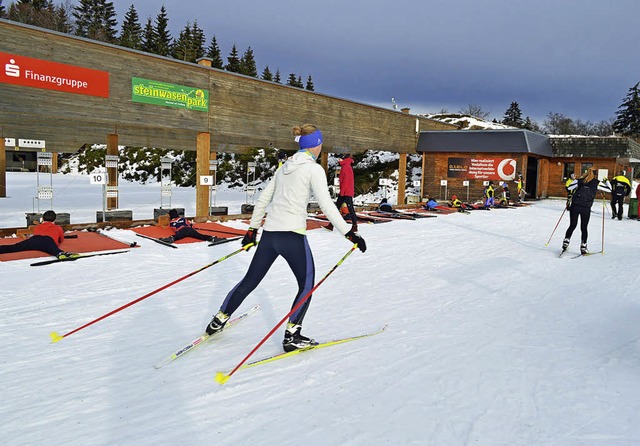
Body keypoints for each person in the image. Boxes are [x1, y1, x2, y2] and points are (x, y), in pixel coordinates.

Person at [203, 123, 366, 352]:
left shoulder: (283, 167)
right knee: (307, 283)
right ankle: (292, 335)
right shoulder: (314, 169)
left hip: (270, 235)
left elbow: (263, 200)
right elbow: (327, 205)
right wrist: (350, 233)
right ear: (317, 145)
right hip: (292, 236)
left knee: (250, 280)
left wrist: (252, 230)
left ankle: (219, 319)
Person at [0, 210, 77, 259]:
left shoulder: (38, 227)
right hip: (48, 240)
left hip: (34, 239)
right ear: (54, 219)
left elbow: (37, 233)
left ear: (43, 219)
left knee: (14, 247)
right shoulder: (58, 228)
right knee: (54, 250)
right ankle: (61, 254)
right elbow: (61, 240)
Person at [562, 167, 600, 255]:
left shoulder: (579, 180)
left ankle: (566, 241)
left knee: (572, 224)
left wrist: (578, 181)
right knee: (584, 227)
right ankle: (583, 246)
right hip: (586, 208)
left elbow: (569, 187)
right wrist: (606, 182)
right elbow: (608, 189)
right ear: (595, 174)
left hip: (575, 206)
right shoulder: (596, 182)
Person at [335, 153, 358, 230]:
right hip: (345, 191)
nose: (338, 160)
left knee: (350, 209)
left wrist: (342, 192)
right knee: (337, 207)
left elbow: (346, 182)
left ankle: (355, 226)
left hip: (346, 192)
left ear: (343, 159)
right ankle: (331, 224)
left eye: (340, 158)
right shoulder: (345, 166)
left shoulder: (346, 167)